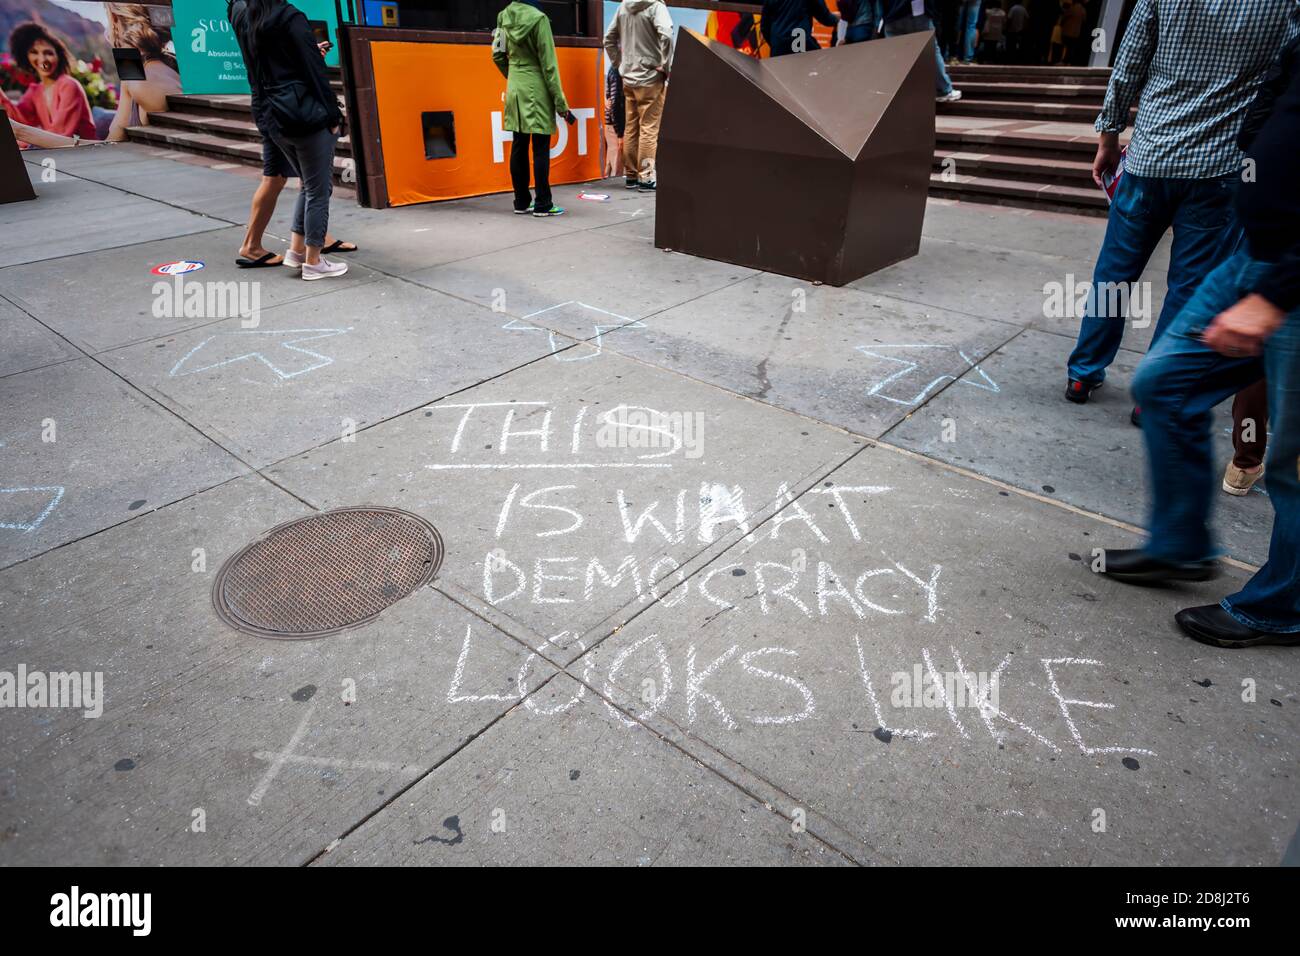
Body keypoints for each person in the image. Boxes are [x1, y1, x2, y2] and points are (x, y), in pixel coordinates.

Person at [1097, 36, 1300, 649]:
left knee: (1291, 457)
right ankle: (1181, 545)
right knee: (1164, 382)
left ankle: (1283, 604)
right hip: (1257, 248)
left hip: (1289, 269)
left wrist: (1279, 291)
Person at [1063, 0, 1298, 419]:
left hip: (1151, 155)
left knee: (1115, 273)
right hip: (1220, 165)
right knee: (1188, 286)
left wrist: (1109, 138)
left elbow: (1128, 65)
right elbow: (1285, 78)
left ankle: (1083, 372)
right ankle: (1152, 397)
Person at [228, 1, 354, 268]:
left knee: (299, 182)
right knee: (302, 184)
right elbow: (311, 70)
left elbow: (271, 55)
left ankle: (303, 247)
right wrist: (334, 114)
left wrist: (304, 51)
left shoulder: (241, 11)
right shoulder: (287, 15)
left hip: (267, 107)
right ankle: (301, 255)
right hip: (293, 110)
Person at [493, 0, 573, 216]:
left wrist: (514, 78)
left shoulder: (503, 16)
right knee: (540, 147)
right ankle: (543, 204)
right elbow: (549, 66)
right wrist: (561, 103)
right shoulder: (540, 19)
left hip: (514, 88)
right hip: (536, 88)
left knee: (518, 144)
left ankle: (521, 202)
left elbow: (497, 55)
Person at [604, 0, 673, 191]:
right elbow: (667, 35)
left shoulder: (623, 6)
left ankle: (632, 176)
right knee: (649, 128)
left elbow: (608, 39)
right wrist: (666, 66)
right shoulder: (656, 7)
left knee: (631, 127)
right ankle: (647, 177)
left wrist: (619, 64)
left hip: (628, 77)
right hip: (651, 76)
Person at [3, 22, 97, 144]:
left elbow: (59, 133)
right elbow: (18, 120)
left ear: (58, 56)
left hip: (86, 153)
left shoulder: (69, 85)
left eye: (48, 53)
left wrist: (23, 143)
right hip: (55, 153)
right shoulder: (35, 91)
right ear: (26, 57)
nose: (42, 60)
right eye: (34, 52)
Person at [104, 4, 182, 141]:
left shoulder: (144, 81)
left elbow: (113, 145)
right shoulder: (143, 68)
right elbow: (113, 140)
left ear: (115, 20)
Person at [882, 0, 962, 103]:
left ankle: (895, 92)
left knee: (896, 55)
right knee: (931, 50)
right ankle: (943, 89)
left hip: (892, 15)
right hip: (915, 11)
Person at [759, 0, 839, 57]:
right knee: (820, 63)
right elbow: (825, 18)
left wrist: (775, 43)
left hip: (778, 45)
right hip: (800, 41)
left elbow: (764, 26)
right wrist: (838, 19)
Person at [603, 62, 626, 179]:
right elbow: (615, 103)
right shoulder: (618, 69)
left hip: (612, 122)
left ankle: (608, 178)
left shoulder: (614, 68)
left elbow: (611, 100)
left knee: (612, 161)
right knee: (617, 164)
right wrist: (620, 133)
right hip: (615, 124)